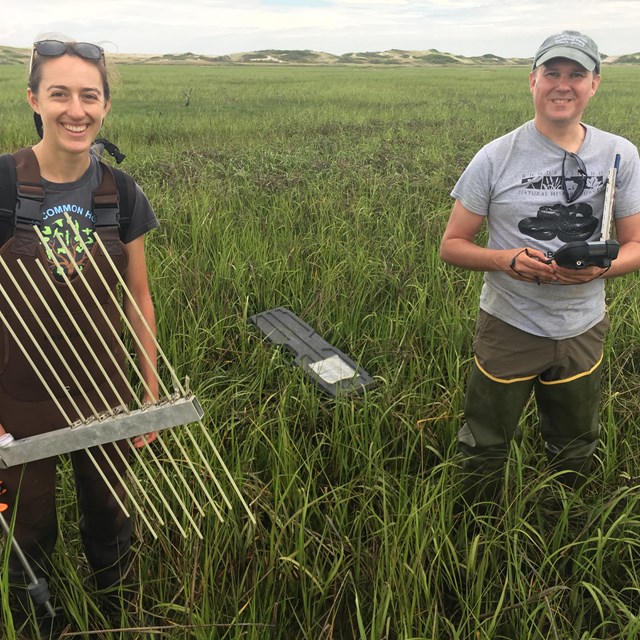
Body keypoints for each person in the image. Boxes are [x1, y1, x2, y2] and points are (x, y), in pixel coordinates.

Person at [0, 37, 160, 636]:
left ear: (105, 105)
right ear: (34, 100)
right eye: (59, 93)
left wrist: (146, 393)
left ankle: (114, 618)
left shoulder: (120, 192)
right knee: (27, 532)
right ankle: (41, 623)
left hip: (102, 388)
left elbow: (138, 297)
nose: (76, 109)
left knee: (111, 522)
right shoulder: (2, 184)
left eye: (89, 96)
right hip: (15, 398)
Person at [440, 31, 640, 506]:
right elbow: (451, 245)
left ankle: (565, 519)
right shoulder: (495, 156)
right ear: (533, 81)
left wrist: (599, 270)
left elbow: (635, 245)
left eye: (576, 75)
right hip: (509, 326)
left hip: (581, 327)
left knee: (575, 441)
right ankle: (477, 522)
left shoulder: (620, 155)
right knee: (485, 443)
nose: (562, 85)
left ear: (595, 84)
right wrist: (505, 260)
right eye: (552, 73)